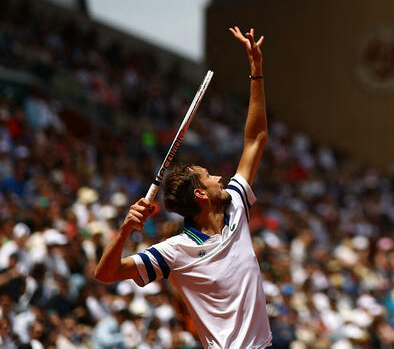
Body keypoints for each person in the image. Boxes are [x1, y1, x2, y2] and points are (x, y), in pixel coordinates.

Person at [95, 27, 270, 349]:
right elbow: (106, 274)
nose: (220, 178)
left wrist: (256, 71)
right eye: (209, 176)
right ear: (201, 195)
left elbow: (256, 139)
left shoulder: (235, 205)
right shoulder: (175, 250)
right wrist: (125, 229)